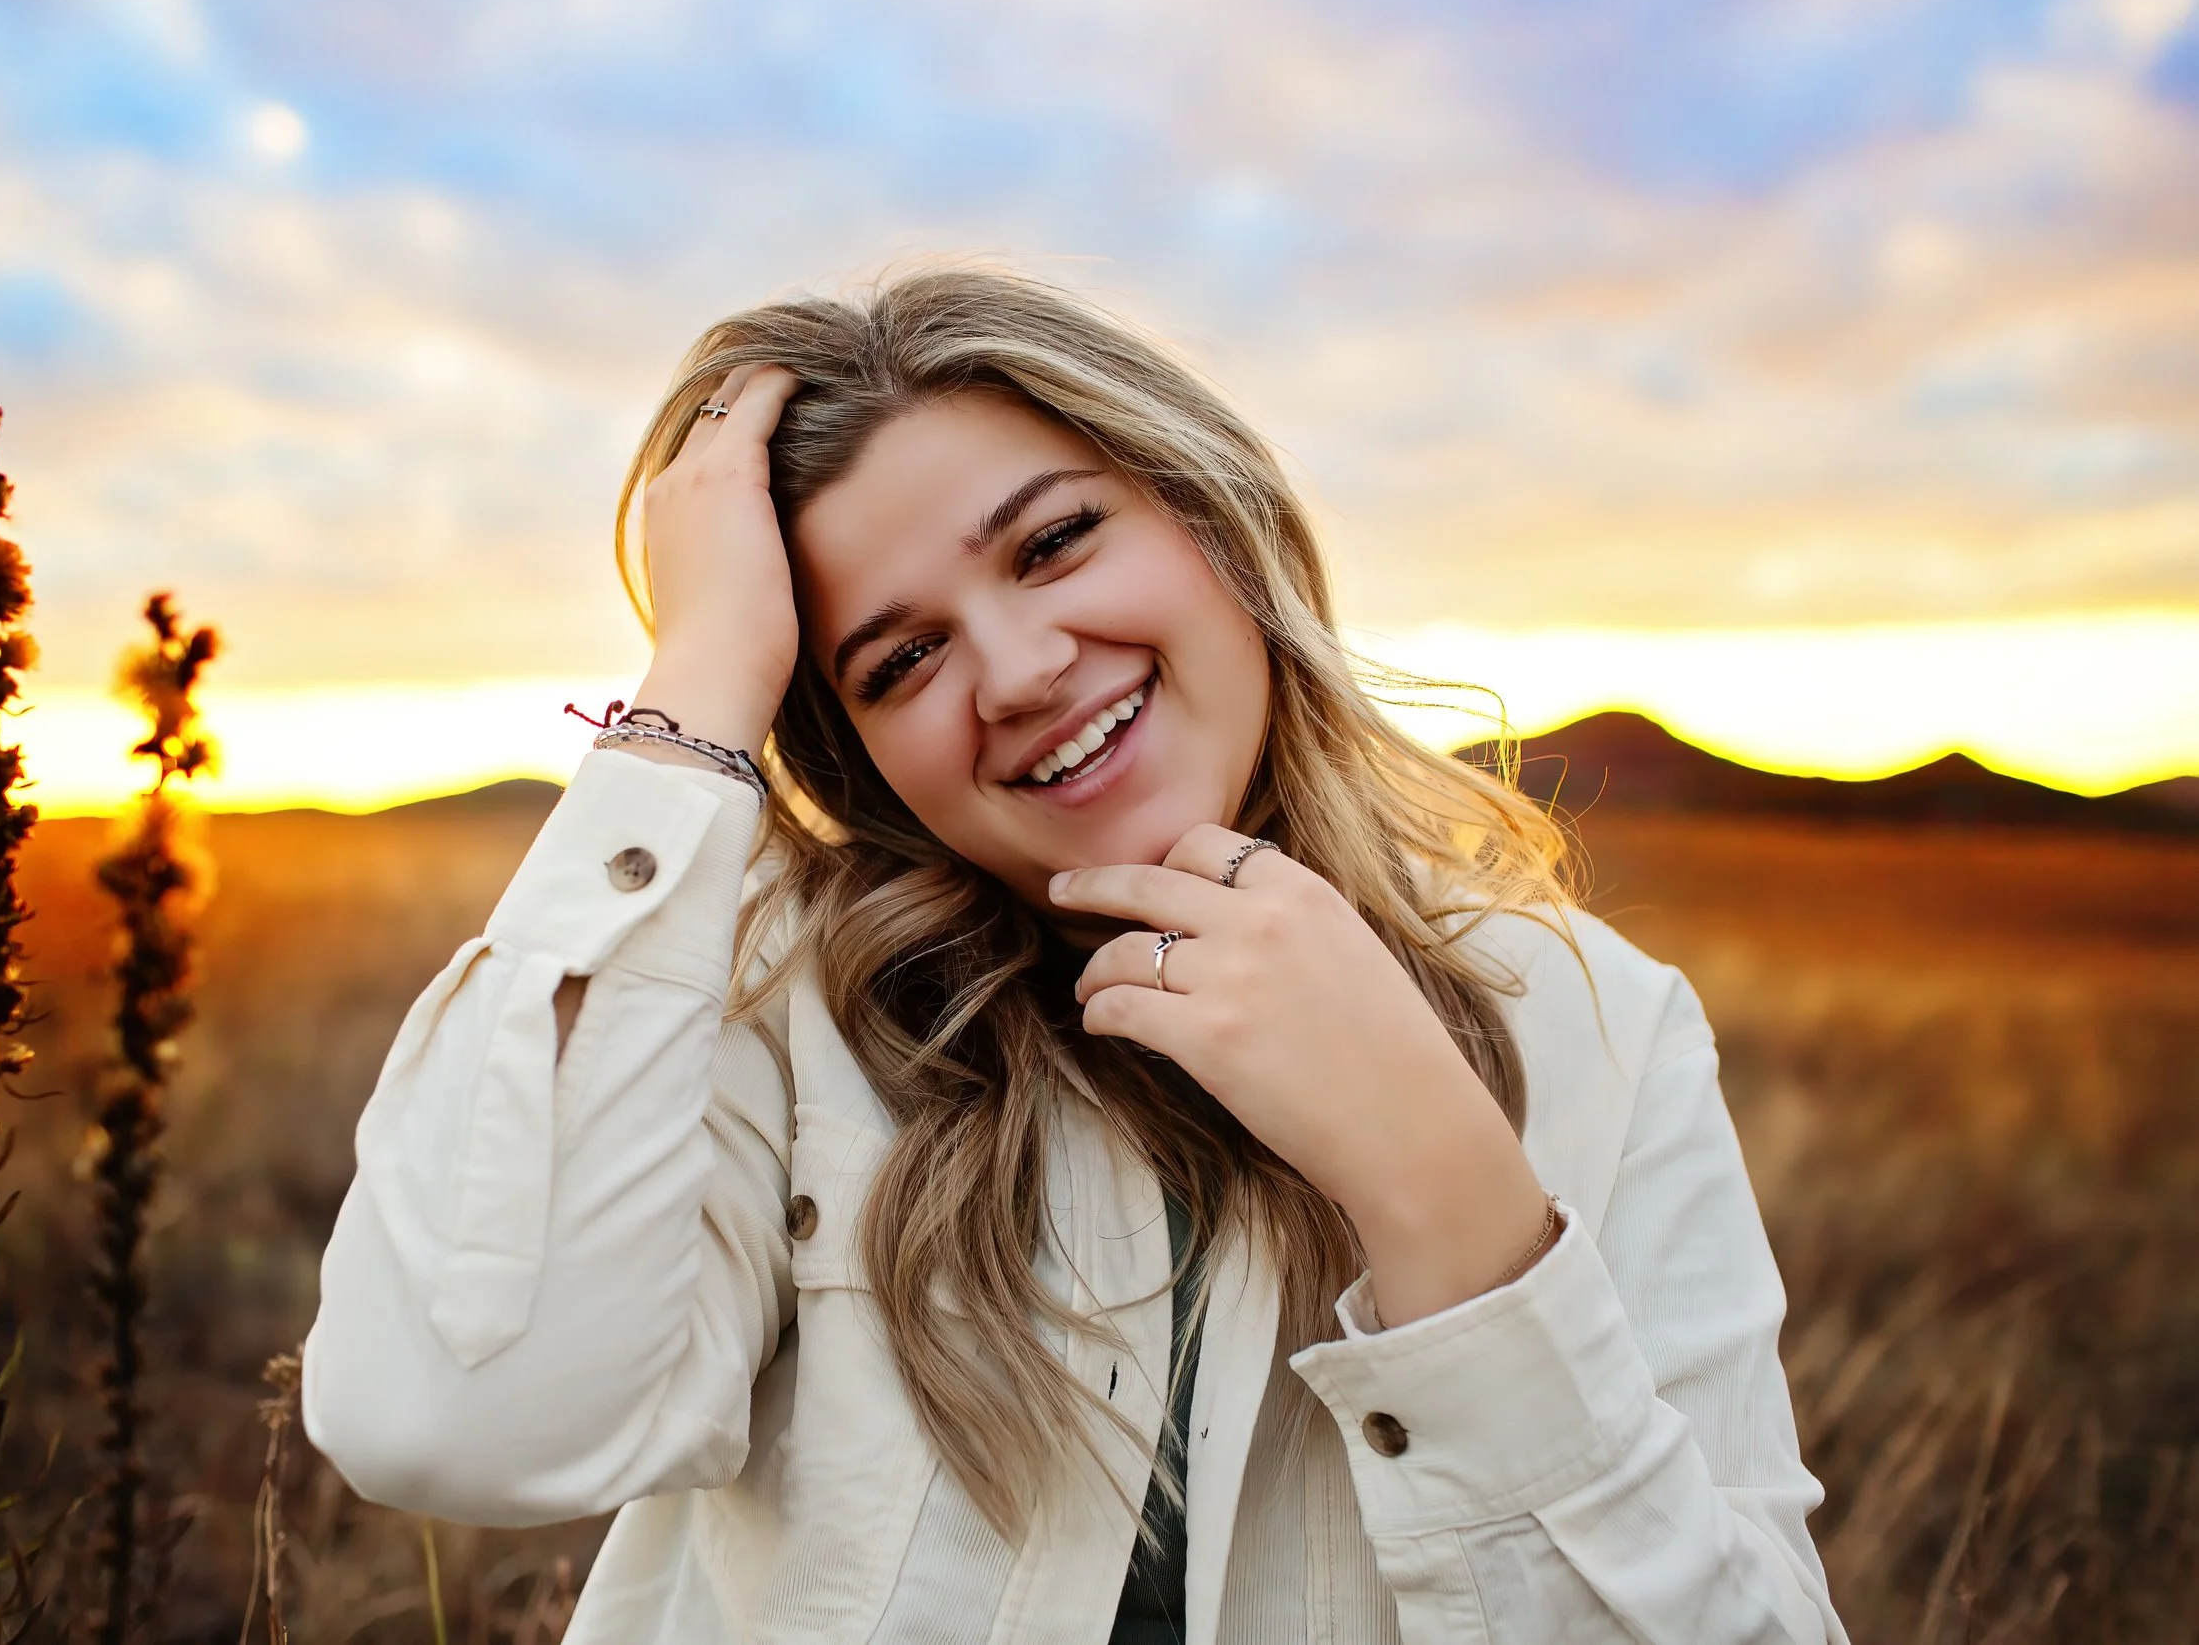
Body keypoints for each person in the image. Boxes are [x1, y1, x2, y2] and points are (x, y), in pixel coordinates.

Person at [301, 263, 1848, 1644]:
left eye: (1052, 544)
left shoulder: (1603, 1027)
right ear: (858, 756)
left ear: (1212, 516)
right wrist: (698, 680)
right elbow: (450, 1414)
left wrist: (1443, 1190)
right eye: (900, 657)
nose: (1023, 670)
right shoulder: (783, 1005)